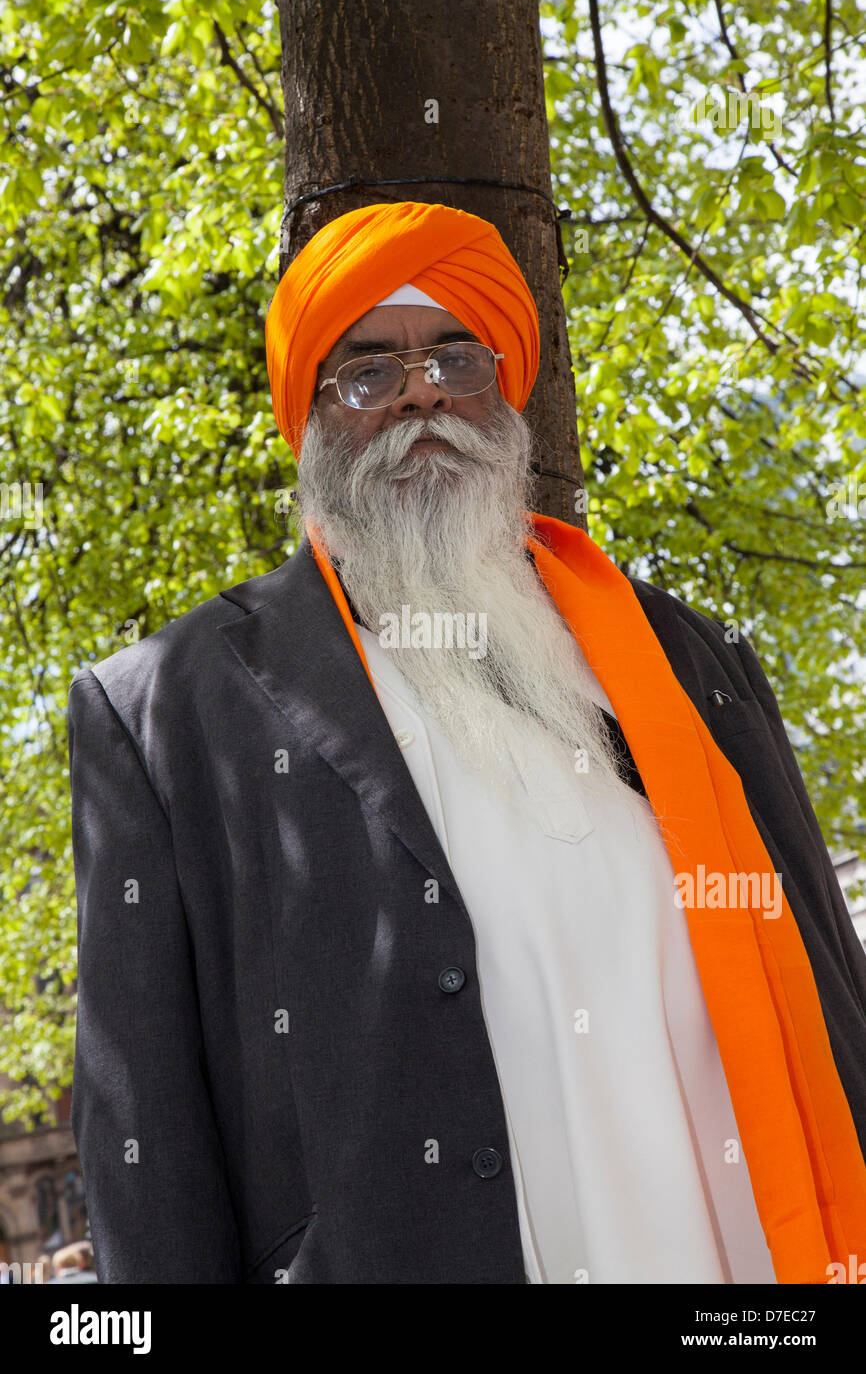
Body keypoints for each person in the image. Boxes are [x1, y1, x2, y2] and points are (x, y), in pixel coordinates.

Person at [68, 200, 866, 1285]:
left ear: (505, 385)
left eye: (456, 355)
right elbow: (148, 1137)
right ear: (306, 415)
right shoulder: (168, 710)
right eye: (367, 372)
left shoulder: (686, 660)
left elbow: (828, 980)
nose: (421, 393)